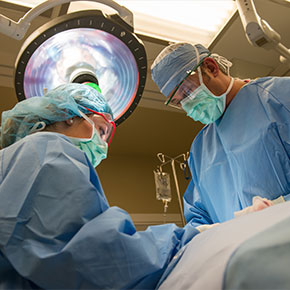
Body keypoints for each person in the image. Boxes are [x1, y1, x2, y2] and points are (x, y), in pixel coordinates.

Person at [0, 83, 199, 289]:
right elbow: (95, 258)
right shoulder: (48, 149)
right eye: (102, 130)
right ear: (69, 115)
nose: (103, 145)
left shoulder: (13, 160)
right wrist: (179, 240)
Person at [151, 42, 290, 227]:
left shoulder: (279, 97)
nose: (186, 105)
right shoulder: (201, 149)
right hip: (244, 253)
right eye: (178, 102)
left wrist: (278, 210)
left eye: (187, 91)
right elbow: (198, 215)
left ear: (211, 67)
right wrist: (204, 234)